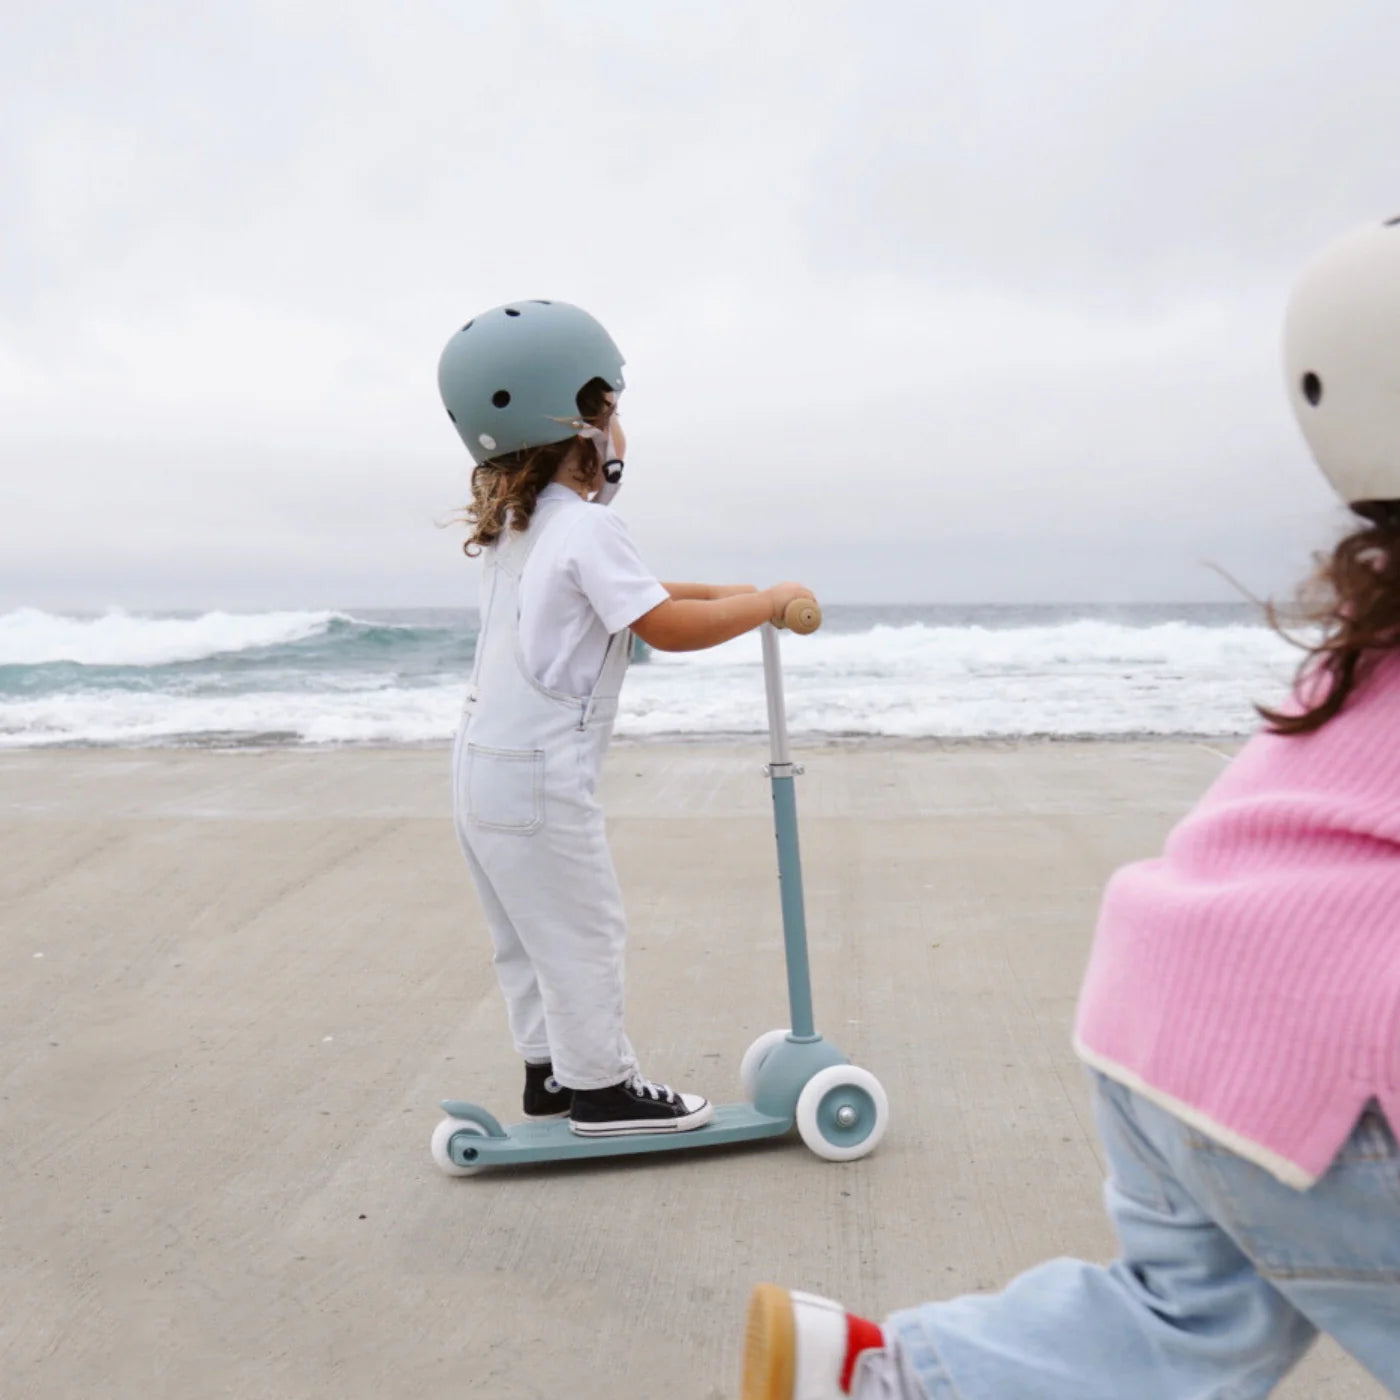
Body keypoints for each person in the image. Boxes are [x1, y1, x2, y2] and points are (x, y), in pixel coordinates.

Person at [739, 219, 1400, 1398]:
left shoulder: (1365, 639)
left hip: (1159, 1020)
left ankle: (885, 1375)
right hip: (1340, 1061)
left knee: (1177, 1322)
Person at [439, 299, 815, 1137]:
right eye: (612, 405)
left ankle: (550, 1073)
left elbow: (624, 594)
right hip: (539, 777)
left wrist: (740, 593)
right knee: (582, 930)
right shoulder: (590, 529)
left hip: (478, 765)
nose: (621, 425)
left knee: (525, 935)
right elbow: (663, 627)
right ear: (580, 422)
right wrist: (764, 605)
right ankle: (603, 1091)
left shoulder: (522, 528)